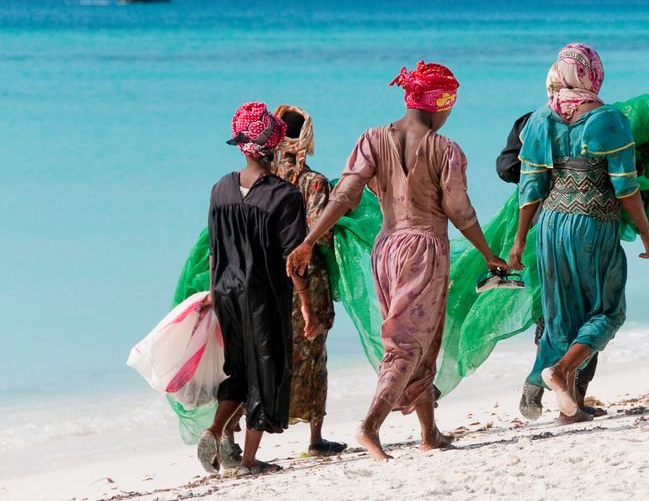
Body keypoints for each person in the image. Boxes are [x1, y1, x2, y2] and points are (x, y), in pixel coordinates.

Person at [286, 61, 507, 461]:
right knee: (408, 345)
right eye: (449, 105)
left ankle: (430, 432)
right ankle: (370, 426)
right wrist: (489, 254)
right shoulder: (445, 150)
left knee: (421, 339)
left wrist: (308, 240)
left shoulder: (371, 139)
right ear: (440, 102)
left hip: (386, 250)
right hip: (424, 248)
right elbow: (460, 211)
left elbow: (345, 196)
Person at [508, 43, 649, 423]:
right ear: (592, 73)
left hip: (550, 225)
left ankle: (568, 404)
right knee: (607, 311)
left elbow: (530, 187)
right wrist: (645, 231)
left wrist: (520, 240)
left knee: (561, 316)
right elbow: (626, 187)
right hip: (593, 224)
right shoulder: (609, 120)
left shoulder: (540, 120)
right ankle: (555, 374)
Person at [197, 102, 316, 476]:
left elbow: (214, 250)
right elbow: (293, 261)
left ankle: (215, 430)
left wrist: (214, 294)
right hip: (263, 296)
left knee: (237, 369)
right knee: (268, 371)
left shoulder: (221, 189)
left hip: (226, 293)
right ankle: (247, 460)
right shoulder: (284, 195)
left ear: (242, 145)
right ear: (274, 147)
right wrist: (307, 306)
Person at [495, 112, 604, 420]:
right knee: (591, 312)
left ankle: (551, 391)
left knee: (553, 314)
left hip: (544, 227)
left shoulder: (531, 122)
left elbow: (505, 168)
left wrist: (537, 171)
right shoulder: (598, 119)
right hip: (588, 227)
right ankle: (569, 398)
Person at [272, 104, 347, 457]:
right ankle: (315, 438)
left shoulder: (260, 179)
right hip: (307, 278)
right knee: (313, 353)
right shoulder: (314, 182)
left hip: (267, 278)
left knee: (266, 352)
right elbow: (320, 234)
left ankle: (239, 432)